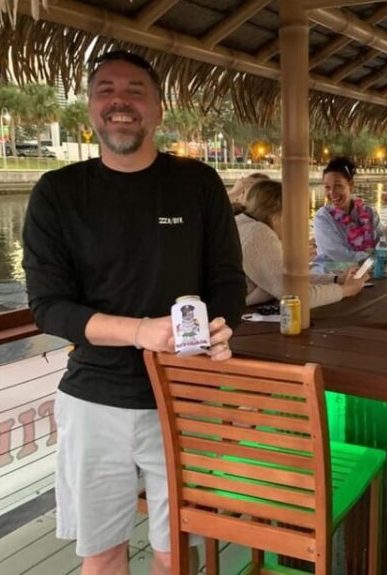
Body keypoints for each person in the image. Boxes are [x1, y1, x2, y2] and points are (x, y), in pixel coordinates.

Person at [22, 50, 246, 575]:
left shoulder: (198, 183)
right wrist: (141, 331)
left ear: (159, 110)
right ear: (90, 109)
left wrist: (220, 327)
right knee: (101, 555)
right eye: (106, 90)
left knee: (175, 553)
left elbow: (227, 281)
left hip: (186, 395)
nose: (119, 101)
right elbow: (48, 308)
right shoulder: (58, 193)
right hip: (94, 400)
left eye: (134, 90)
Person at [236, 179, 368, 307]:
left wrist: (336, 280)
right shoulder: (257, 233)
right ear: (276, 216)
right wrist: (347, 290)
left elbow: (289, 279)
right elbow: (297, 296)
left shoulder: (245, 226)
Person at [313, 156, 387, 265]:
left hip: (370, 277)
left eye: (338, 186)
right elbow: (342, 258)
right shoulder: (322, 218)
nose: (332, 192)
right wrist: (384, 260)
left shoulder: (368, 212)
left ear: (350, 185)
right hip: (335, 278)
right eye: (327, 187)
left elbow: (385, 244)